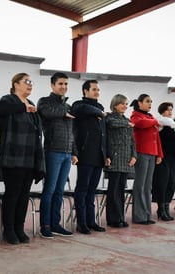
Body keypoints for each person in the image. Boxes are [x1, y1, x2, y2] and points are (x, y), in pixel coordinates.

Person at [0, 73, 45, 244]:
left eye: (31, 82)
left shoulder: (31, 104)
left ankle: (19, 227)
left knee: (24, 195)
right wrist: (24, 108)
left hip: (30, 158)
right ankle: (8, 230)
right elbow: (2, 111)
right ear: (16, 84)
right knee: (12, 193)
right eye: (26, 82)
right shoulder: (7, 100)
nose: (30, 85)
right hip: (13, 157)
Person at [37, 72, 78, 239]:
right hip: (52, 151)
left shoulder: (67, 107)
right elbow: (45, 112)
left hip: (67, 154)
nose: (64, 87)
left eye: (66, 84)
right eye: (60, 84)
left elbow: (72, 132)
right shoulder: (45, 102)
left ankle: (55, 224)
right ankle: (45, 226)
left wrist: (74, 151)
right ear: (52, 85)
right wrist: (63, 112)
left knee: (60, 191)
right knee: (50, 190)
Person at [71, 79, 107, 234]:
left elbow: (104, 134)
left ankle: (91, 221)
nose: (97, 92)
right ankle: (82, 222)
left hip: (99, 156)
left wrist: (107, 154)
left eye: (98, 90)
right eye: (94, 89)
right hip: (85, 154)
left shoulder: (100, 108)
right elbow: (82, 108)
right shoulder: (79, 105)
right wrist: (99, 113)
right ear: (85, 91)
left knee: (92, 190)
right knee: (82, 189)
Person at [104, 94, 137, 228]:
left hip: (126, 159)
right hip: (115, 158)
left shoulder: (126, 120)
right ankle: (113, 219)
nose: (125, 106)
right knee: (113, 191)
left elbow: (132, 141)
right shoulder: (110, 118)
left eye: (126, 103)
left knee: (121, 191)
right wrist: (128, 124)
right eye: (122, 103)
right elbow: (112, 124)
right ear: (115, 104)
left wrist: (134, 155)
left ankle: (120, 217)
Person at [130, 94, 163, 225]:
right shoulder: (136, 115)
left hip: (152, 153)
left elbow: (157, 138)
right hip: (141, 152)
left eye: (151, 101)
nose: (150, 104)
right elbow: (140, 124)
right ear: (139, 103)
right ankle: (139, 216)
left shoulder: (151, 117)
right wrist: (155, 122)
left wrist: (159, 154)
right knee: (140, 185)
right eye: (147, 101)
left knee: (148, 185)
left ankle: (147, 214)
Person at [152, 102, 175, 221]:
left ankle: (166, 207)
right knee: (162, 182)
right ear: (162, 111)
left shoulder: (173, 125)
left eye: (171, 110)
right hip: (163, 157)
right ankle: (161, 208)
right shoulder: (161, 122)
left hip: (173, 157)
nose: (170, 112)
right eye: (168, 110)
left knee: (171, 183)